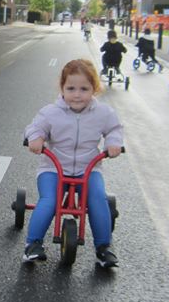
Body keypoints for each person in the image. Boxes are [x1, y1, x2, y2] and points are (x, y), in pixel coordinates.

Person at [22, 59, 124, 267]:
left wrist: (113, 143)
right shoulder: (50, 112)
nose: (77, 94)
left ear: (94, 89)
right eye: (71, 88)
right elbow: (35, 127)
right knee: (50, 199)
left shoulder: (103, 113)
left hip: (88, 169)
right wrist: (36, 139)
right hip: (54, 168)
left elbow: (115, 129)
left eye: (84, 89)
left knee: (97, 198)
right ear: (62, 88)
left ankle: (103, 248)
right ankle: (32, 245)